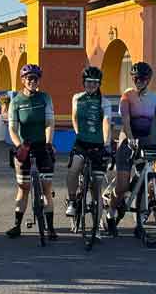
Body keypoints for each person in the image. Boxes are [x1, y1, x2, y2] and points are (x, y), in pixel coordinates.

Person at [104, 62, 156, 236]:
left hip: (145, 143)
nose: (139, 81)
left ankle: (139, 222)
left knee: (144, 182)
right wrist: (131, 138)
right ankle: (110, 213)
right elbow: (125, 120)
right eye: (135, 79)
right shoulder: (127, 96)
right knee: (122, 186)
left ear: (148, 80)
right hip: (127, 142)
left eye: (142, 79)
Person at [5, 64, 58, 240]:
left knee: (46, 187)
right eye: (29, 78)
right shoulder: (16, 101)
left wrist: (49, 143)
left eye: (35, 78)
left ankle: (50, 228)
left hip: (42, 145)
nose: (32, 81)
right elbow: (12, 128)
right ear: (23, 80)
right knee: (23, 188)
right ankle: (16, 226)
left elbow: (49, 123)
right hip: (24, 146)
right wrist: (19, 145)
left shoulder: (45, 98)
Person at [64, 66, 112, 224]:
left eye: (95, 82)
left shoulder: (104, 102)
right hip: (81, 143)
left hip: (98, 144)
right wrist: (78, 133)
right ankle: (72, 201)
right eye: (88, 82)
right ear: (83, 82)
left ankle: (97, 227)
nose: (91, 85)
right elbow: (74, 117)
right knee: (74, 169)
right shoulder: (77, 98)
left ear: (99, 84)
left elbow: (106, 122)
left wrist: (106, 143)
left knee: (96, 187)